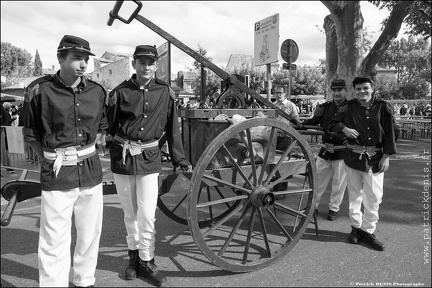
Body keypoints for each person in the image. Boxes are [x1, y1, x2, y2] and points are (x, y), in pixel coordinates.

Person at [22, 35, 107, 287]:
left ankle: (85, 281)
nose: (83, 64)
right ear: (60, 58)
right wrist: (50, 159)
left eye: (85, 59)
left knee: (89, 233)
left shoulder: (97, 91)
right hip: (57, 170)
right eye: (76, 58)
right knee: (54, 238)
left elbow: (101, 125)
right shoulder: (38, 90)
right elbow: (31, 135)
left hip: (91, 171)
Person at [106, 44, 192, 287]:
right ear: (134, 63)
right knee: (129, 214)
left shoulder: (166, 92)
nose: (146, 66)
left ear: (156, 65)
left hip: (149, 158)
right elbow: (110, 128)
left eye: (150, 62)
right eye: (141, 62)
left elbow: (173, 128)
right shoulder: (119, 93)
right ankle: (133, 259)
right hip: (123, 159)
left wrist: (180, 159)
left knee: (147, 214)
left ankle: (147, 260)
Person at [329, 76, 396, 251]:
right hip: (353, 159)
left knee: (374, 197)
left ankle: (368, 231)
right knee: (354, 196)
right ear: (354, 91)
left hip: (375, 159)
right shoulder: (348, 107)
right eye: (358, 89)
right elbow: (333, 123)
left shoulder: (383, 107)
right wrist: (344, 129)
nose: (362, 92)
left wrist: (386, 156)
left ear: (372, 88)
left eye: (365, 88)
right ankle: (355, 228)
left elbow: (391, 133)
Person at [302, 79, 349, 220]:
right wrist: (296, 123)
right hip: (325, 151)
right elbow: (312, 121)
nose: (336, 93)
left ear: (345, 90)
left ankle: (334, 208)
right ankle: (313, 206)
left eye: (339, 90)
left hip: (341, 151)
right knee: (318, 181)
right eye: (334, 90)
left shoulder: (352, 108)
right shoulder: (325, 107)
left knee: (339, 184)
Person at [272, 86, 302, 151]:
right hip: (273, 135)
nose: (278, 95)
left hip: (286, 136)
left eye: (280, 93)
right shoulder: (273, 105)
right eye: (276, 93)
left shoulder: (291, 105)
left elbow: (297, 121)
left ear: (284, 93)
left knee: (281, 155)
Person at [1, 102, 15, 174]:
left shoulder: (1, 107)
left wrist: (4, 126)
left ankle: (8, 167)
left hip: (1, 131)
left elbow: (5, 118)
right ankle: (8, 167)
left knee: (3, 150)